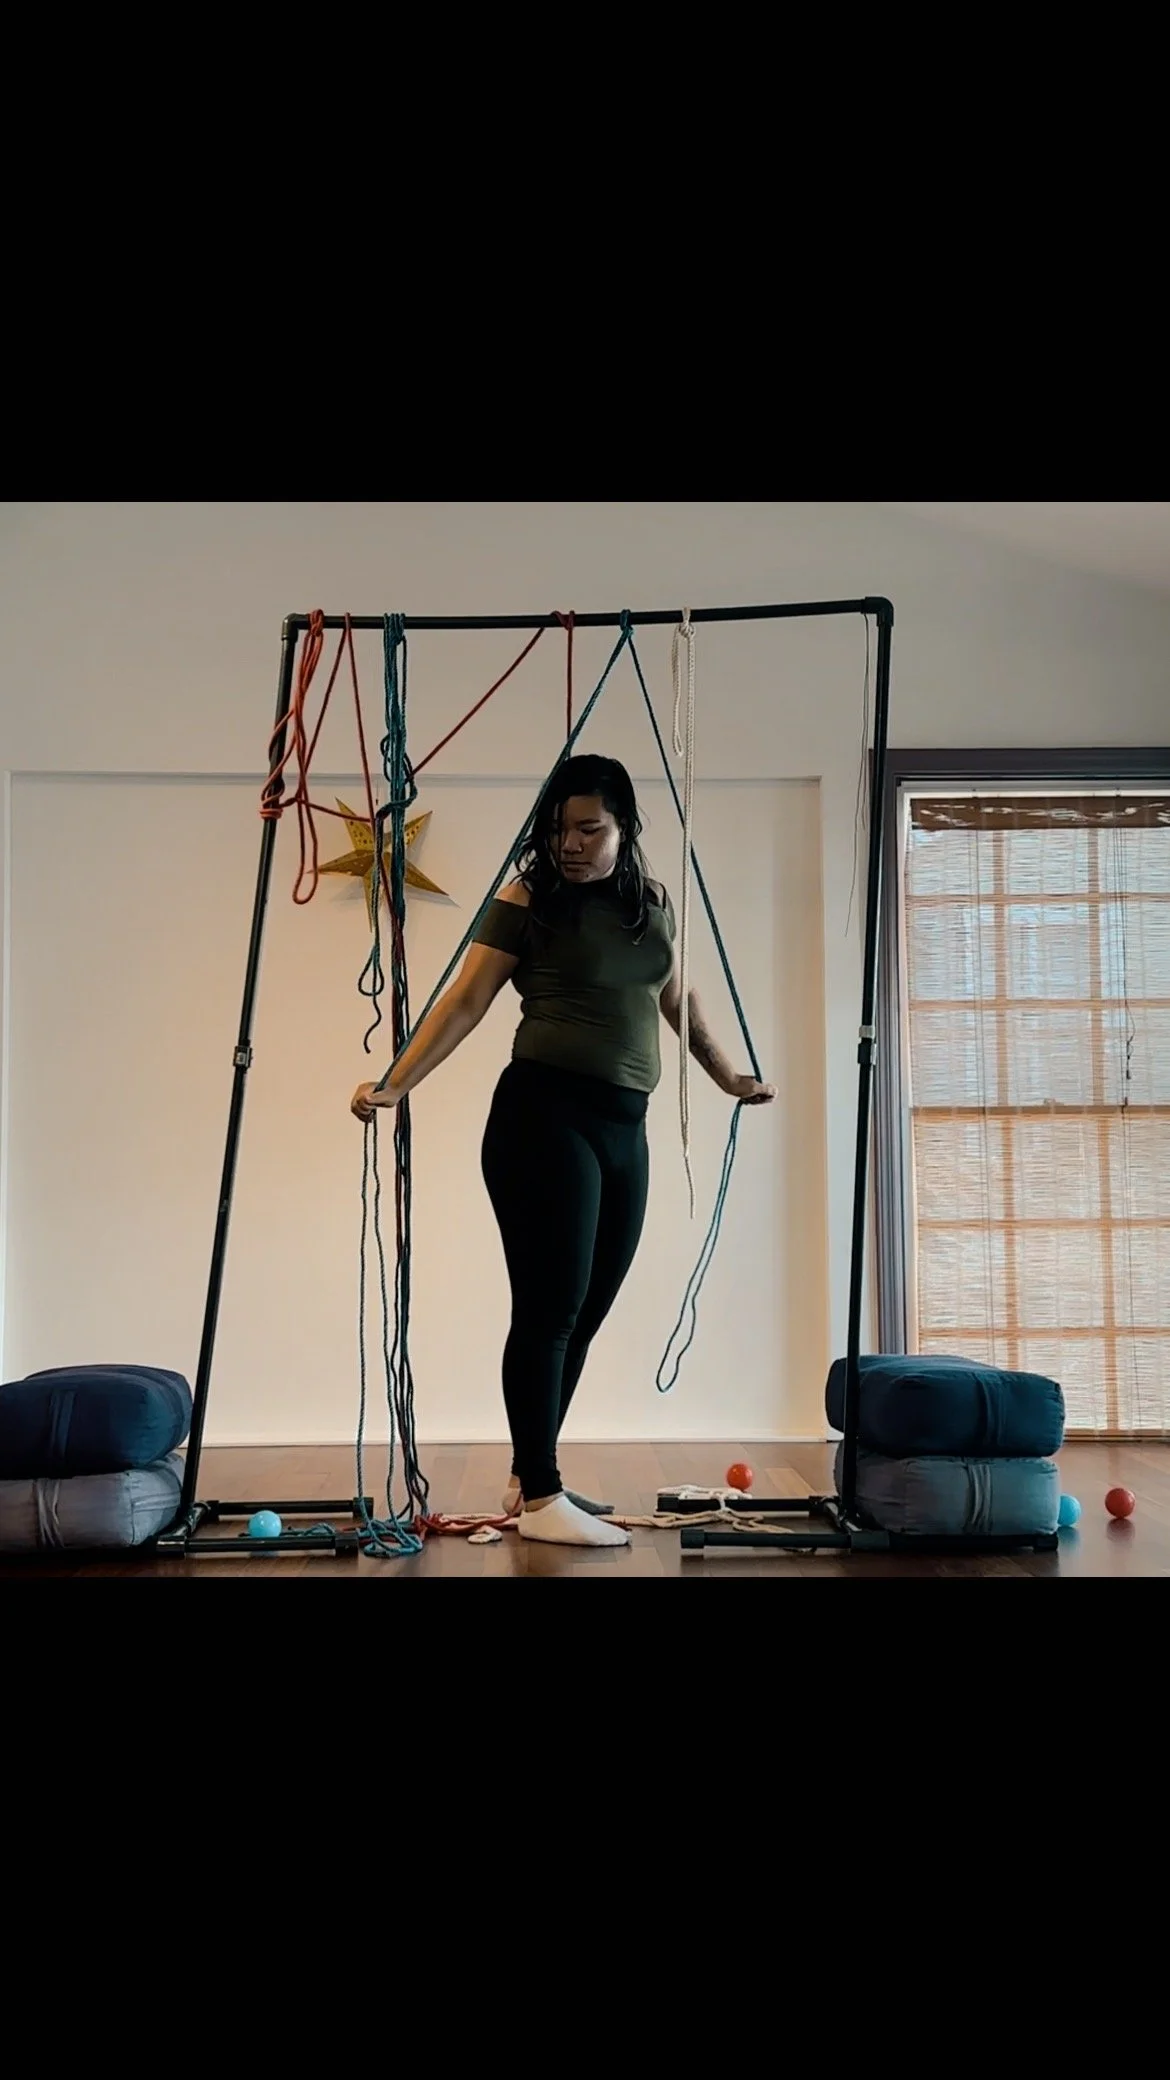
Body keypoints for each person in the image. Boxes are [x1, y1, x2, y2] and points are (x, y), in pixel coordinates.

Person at [351, 754, 774, 1548]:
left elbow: (675, 997)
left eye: (589, 829)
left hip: (625, 1128)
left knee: (586, 1309)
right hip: (543, 1119)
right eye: (558, 829)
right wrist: (394, 1084)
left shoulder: (653, 904)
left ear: (626, 828)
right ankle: (543, 1496)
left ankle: (528, 1478)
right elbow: (466, 999)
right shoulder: (529, 899)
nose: (570, 844)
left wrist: (728, 1077)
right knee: (548, 1309)